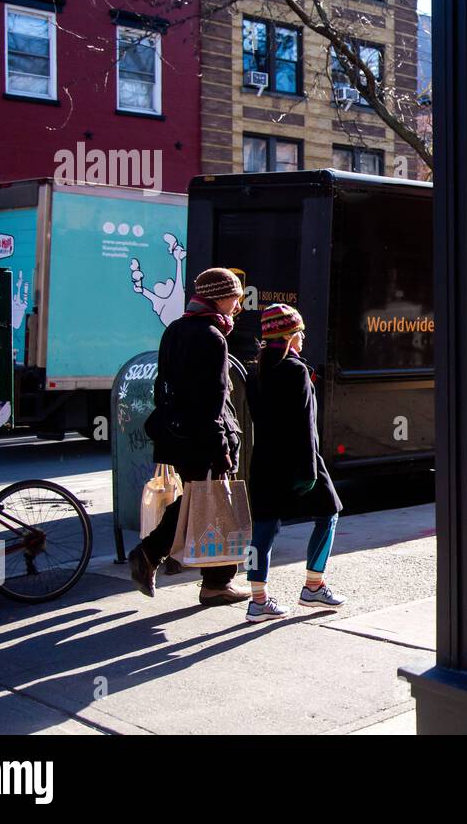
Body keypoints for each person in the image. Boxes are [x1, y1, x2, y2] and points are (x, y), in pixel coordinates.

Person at [129, 267, 249, 606]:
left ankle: (152, 555)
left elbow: (162, 387)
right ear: (222, 296)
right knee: (219, 506)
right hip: (205, 438)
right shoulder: (212, 337)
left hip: (177, 436)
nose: (237, 305)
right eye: (235, 297)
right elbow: (212, 399)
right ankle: (214, 583)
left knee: (195, 501)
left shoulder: (175, 330)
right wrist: (221, 447)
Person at [242, 303, 345, 622]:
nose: (303, 338)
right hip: (299, 460)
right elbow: (305, 426)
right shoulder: (296, 370)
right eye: (300, 332)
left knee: (263, 527)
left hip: (265, 462)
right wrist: (310, 472)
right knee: (329, 513)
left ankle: (257, 600)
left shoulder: (255, 371)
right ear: (289, 336)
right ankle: (313, 585)